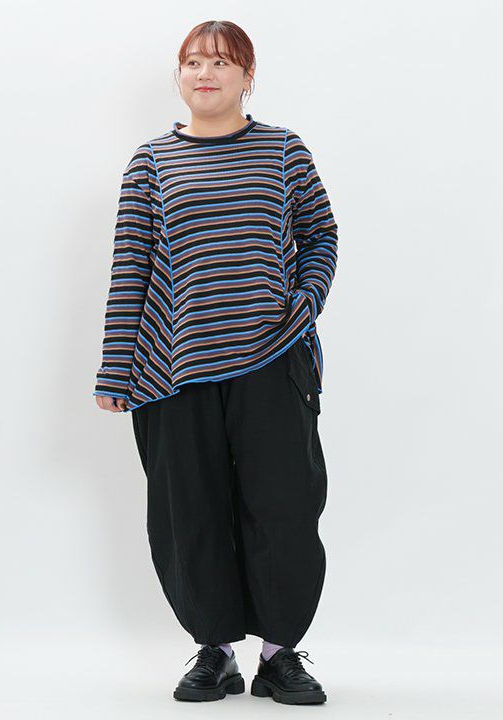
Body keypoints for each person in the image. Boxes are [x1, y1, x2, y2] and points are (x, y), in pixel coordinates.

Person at [93, 20, 338, 705]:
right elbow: (131, 268)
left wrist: (304, 303)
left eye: (223, 63)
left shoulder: (283, 151)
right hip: (174, 367)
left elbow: (320, 234)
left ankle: (280, 655)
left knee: (284, 508)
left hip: (273, 360)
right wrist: (115, 369)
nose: (206, 74)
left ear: (247, 77)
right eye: (194, 62)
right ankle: (215, 651)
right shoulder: (151, 163)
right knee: (189, 515)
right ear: (179, 76)